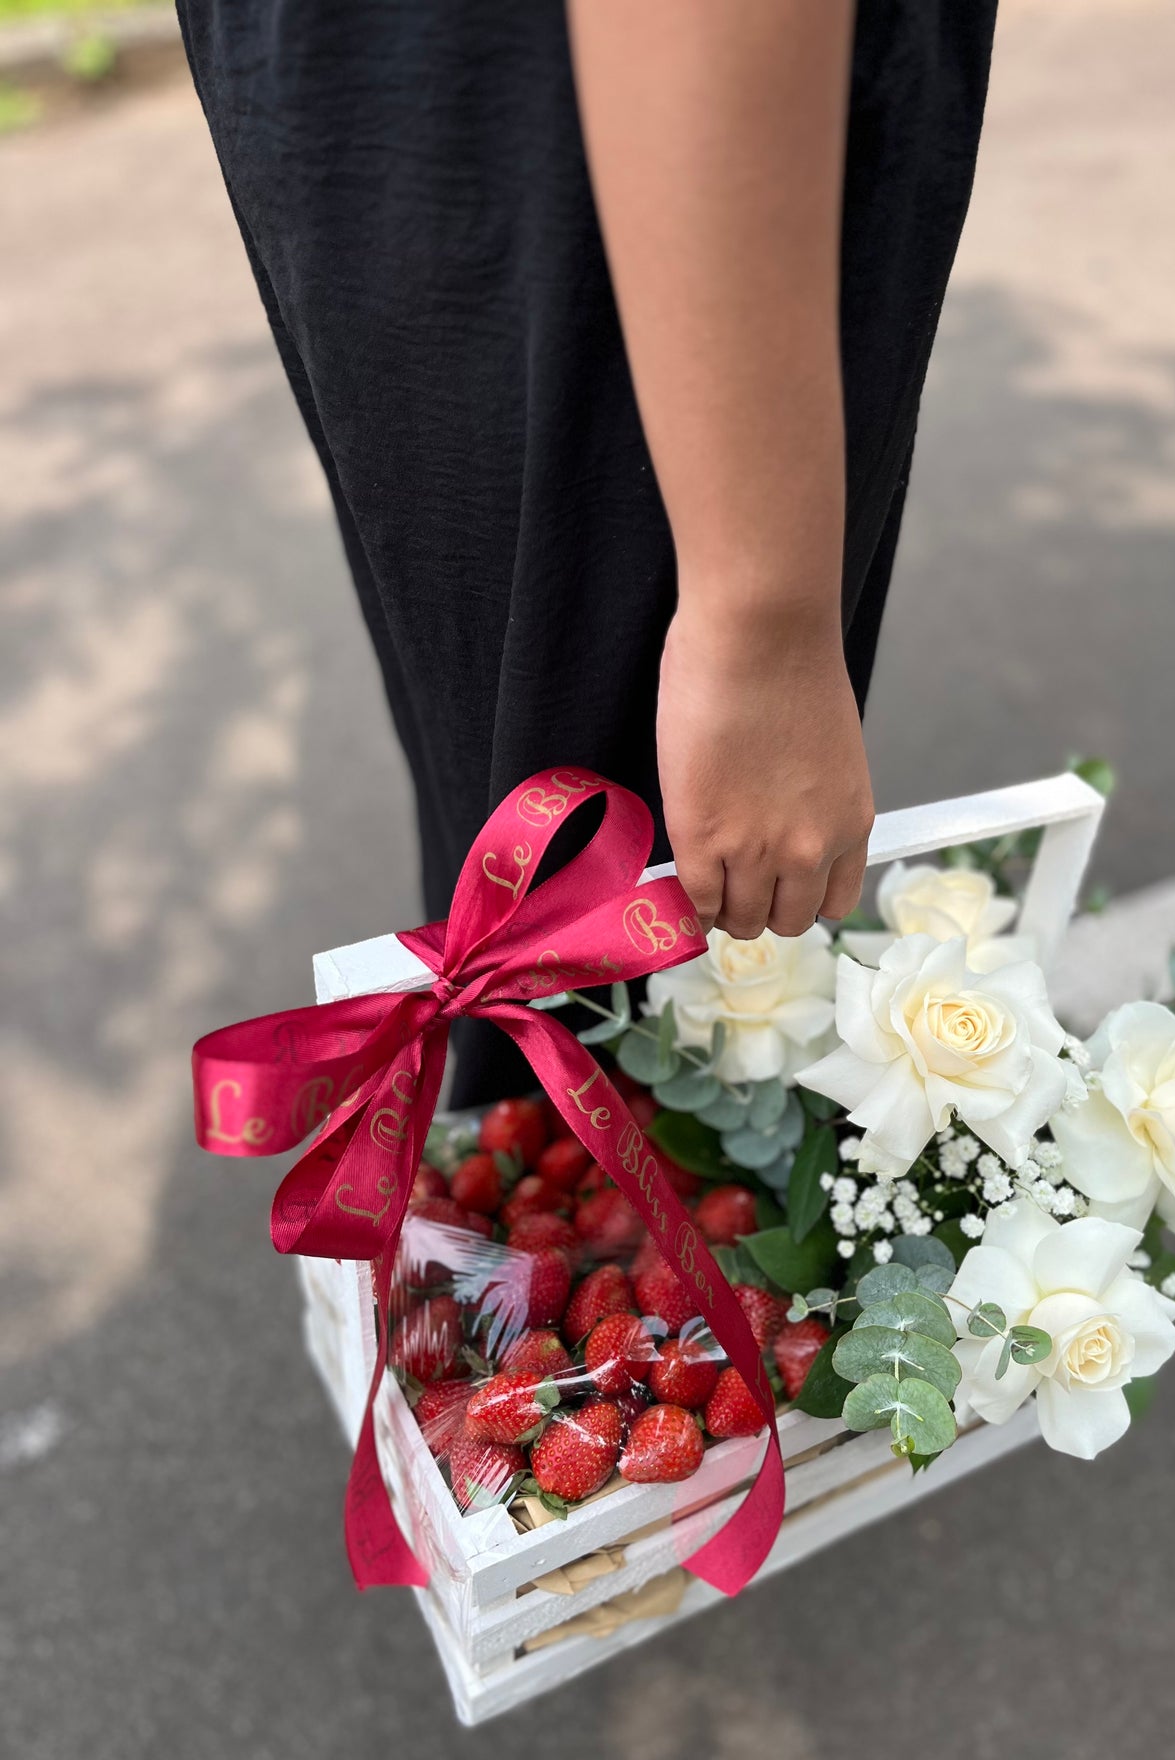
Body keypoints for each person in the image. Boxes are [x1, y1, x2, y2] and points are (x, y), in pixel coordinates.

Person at [178, 1, 998, 1104]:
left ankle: (546, 1221)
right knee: (607, 948)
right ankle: (561, 1230)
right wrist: (758, 622)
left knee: (527, 845)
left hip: (419, 101)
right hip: (625, 124)